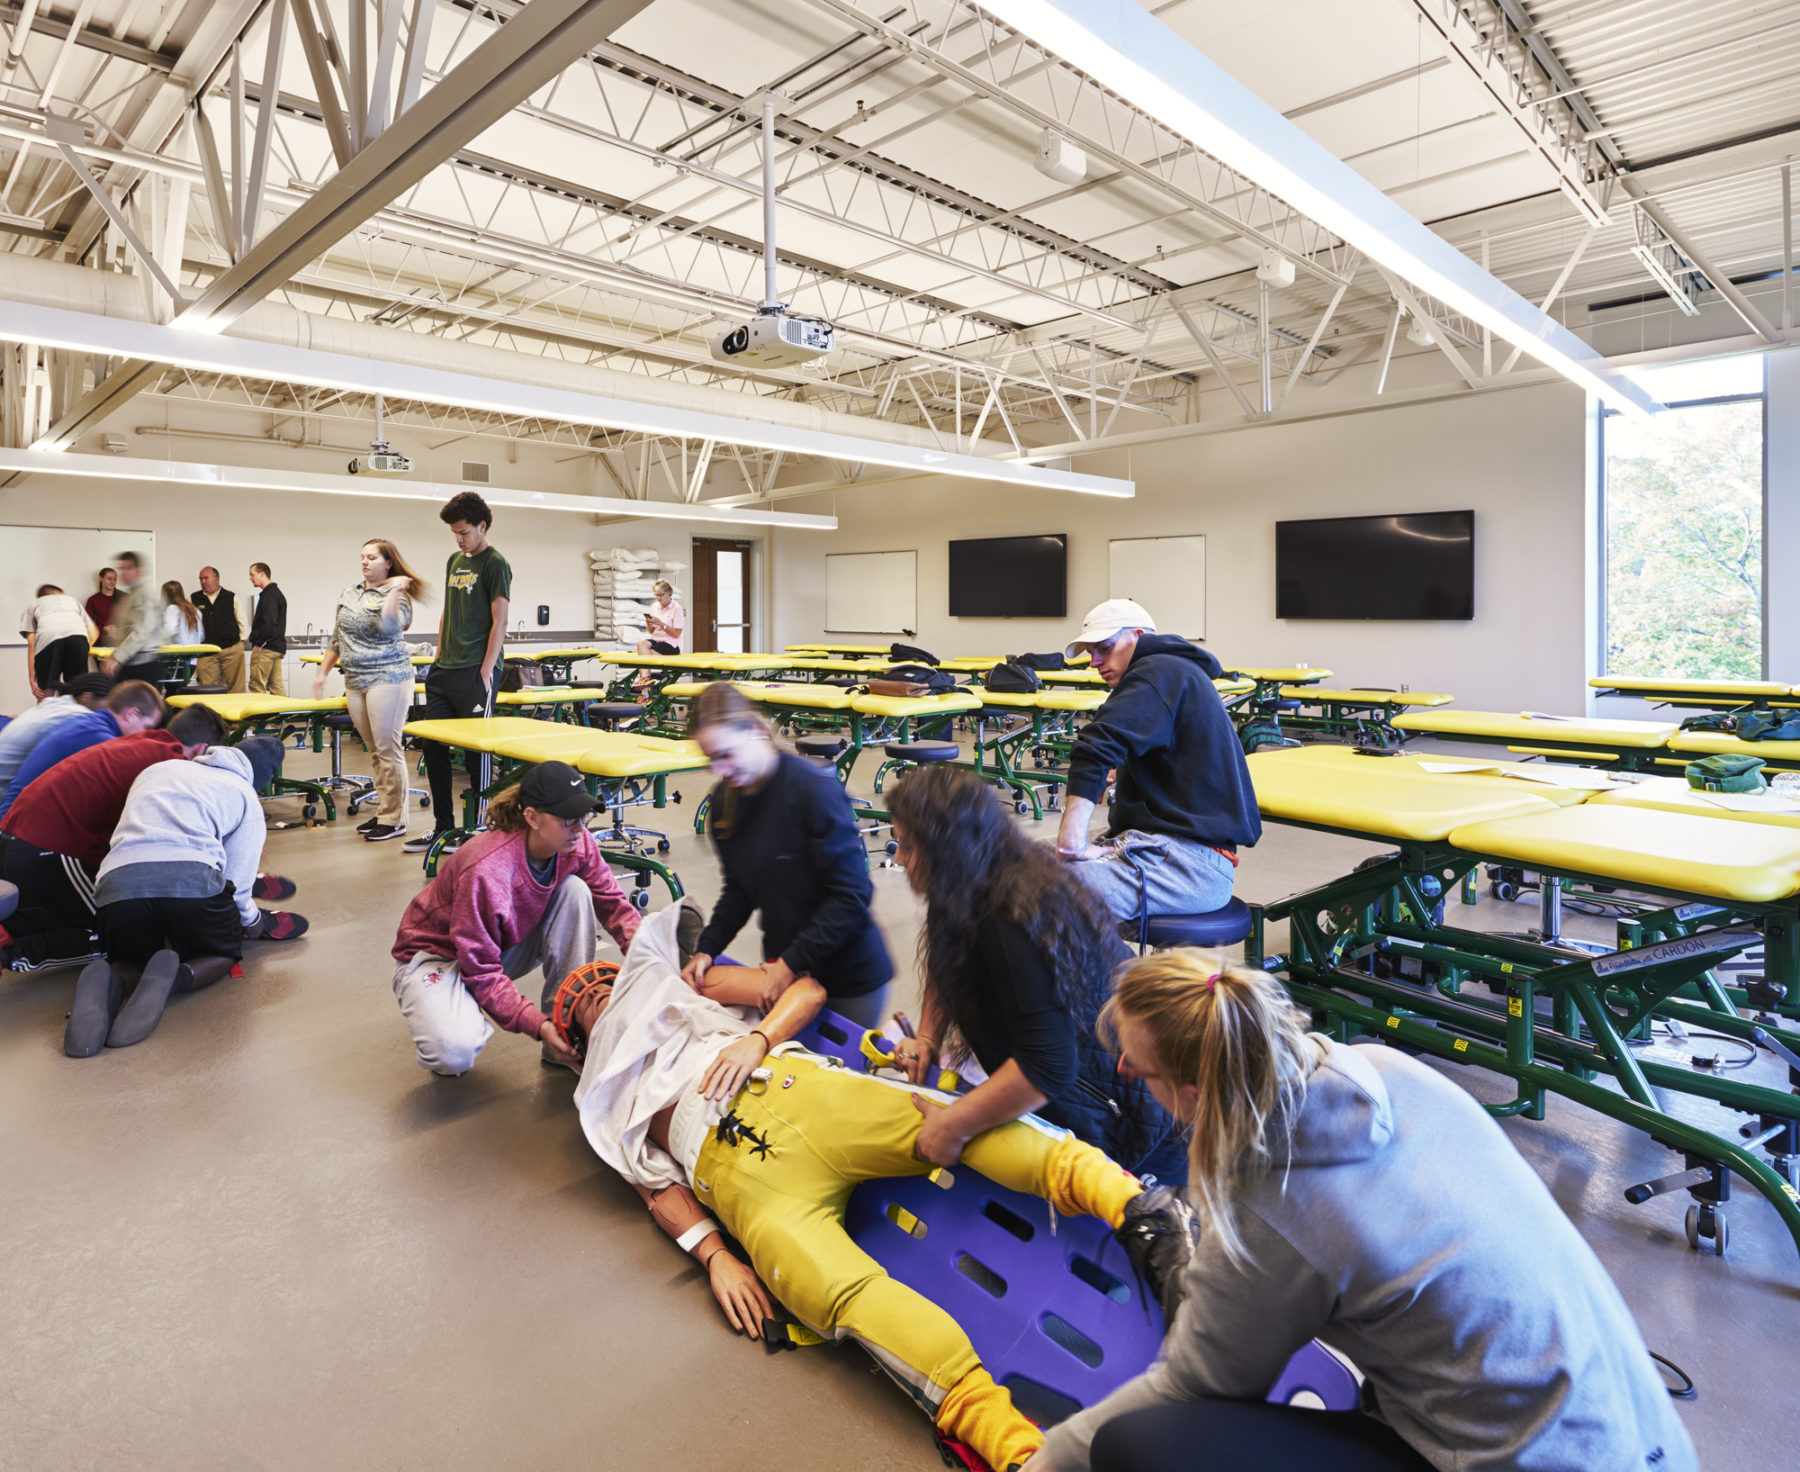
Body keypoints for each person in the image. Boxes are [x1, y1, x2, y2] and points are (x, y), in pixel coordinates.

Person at [569, 903, 1188, 1472]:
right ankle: (1015, 1450)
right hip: (738, 1183)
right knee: (838, 1296)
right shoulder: (600, 1100)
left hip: (791, 1090)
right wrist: (716, 1257)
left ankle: (1139, 1211)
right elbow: (653, 1187)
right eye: (582, 1004)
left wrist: (757, 1037)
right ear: (576, 1039)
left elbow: (805, 990)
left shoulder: (677, 990)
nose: (597, 995)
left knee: (945, 1125)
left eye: (601, 981)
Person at [1031, 950, 1700, 1472]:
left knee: (1136, 1445)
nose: (1120, 1066)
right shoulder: (1382, 1071)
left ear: (1195, 1090)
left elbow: (1196, 1384)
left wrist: (1053, 1455)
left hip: (1527, 1460)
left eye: (1135, 1069)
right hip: (1633, 1431)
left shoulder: (1274, 1206)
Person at [885, 765, 1183, 1182]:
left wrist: (951, 1128)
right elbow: (944, 955)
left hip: (1128, 1129)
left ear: (942, 847)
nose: (898, 859)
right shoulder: (967, 878)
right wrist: (929, 1036)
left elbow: (1046, 1067)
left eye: (906, 847)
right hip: (1093, 1099)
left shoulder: (1008, 921)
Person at [390, 760, 638, 1075]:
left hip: (498, 945)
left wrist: (647, 954)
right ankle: (445, 1006)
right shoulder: (488, 869)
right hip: (439, 957)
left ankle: (565, 1033)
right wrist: (536, 1024)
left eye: (583, 816)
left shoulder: (575, 840)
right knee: (453, 1053)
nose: (579, 828)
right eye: (567, 819)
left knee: (575, 890)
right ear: (532, 817)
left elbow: (614, 904)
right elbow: (480, 971)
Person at [67, 736, 307, 1057]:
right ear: (260, 781)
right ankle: (173, 978)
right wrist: (251, 923)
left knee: (132, 958)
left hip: (117, 883)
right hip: (190, 883)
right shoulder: (245, 796)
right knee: (222, 955)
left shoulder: (158, 770)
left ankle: (110, 978)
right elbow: (236, 885)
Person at [680, 684, 893, 1027]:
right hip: (785, 972)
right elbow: (740, 888)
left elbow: (852, 895)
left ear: (753, 732)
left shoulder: (812, 791)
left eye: (726, 754)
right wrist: (707, 949)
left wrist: (791, 961)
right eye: (711, 759)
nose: (719, 769)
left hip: (847, 977)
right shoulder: (725, 801)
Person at [1053, 599, 1260, 924]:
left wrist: (1072, 843)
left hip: (1190, 866)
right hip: (1169, 851)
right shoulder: (1175, 671)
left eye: (1104, 648)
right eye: (1091, 651)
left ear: (1137, 636)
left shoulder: (1158, 670)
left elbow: (1095, 746)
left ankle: (1107, 975)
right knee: (1014, 863)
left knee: (1030, 889)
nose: (1094, 661)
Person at [0, 706, 228, 973]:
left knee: (95, 910)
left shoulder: (146, 742)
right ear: (201, 750)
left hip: (24, 838)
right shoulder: (168, 765)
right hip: (46, 846)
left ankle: (16, 930)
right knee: (124, 938)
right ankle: (10, 953)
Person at [404, 492, 511, 855]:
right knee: (433, 748)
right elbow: (449, 611)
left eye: (464, 532)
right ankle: (443, 828)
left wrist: (485, 671)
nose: (459, 538)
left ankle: (479, 830)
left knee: (476, 754)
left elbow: (501, 621)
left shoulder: (496, 564)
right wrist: (438, 654)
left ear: (482, 527)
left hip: (475, 673)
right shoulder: (455, 560)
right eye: (454, 533)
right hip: (444, 669)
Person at [317, 540, 425, 843]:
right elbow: (337, 636)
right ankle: (385, 812)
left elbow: (390, 626)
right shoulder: (350, 593)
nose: (365, 562)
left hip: (389, 678)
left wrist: (395, 589)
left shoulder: (398, 596)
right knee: (375, 751)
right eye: (362, 557)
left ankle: (395, 819)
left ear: (388, 562)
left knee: (388, 749)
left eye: (372, 557)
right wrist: (322, 673)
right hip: (356, 680)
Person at [0, 680, 165, 820]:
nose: (144, 735)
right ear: (132, 714)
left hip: (14, 814)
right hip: (17, 826)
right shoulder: (101, 741)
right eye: (146, 727)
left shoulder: (86, 722)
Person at [0, 672, 114, 792]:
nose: (109, 710)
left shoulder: (56, 704)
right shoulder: (76, 715)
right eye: (108, 704)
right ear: (87, 697)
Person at [20, 584, 97, 700]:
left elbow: (32, 645)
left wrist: (32, 679)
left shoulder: (35, 604)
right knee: (78, 691)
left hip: (49, 638)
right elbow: (94, 633)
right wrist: (84, 649)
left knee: (46, 693)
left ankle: (45, 711)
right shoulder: (71, 600)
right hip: (78, 637)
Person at [102, 551, 163, 687]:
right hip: (131, 663)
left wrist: (116, 657)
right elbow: (132, 628)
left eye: (127, 568)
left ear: (138, 570)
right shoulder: (131, 595)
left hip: (143, 666)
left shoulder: (144, 594)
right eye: (121, 569)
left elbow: (142, 631)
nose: (122, 573)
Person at [191, 566, 247, 692]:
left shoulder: (231, 597)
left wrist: (242, 641)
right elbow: (187, 622)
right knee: (208, 690)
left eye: (206, 578)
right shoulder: (193, 599)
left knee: (237, 689)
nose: (203, 582)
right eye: (201, 579)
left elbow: (242, 620)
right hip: (206, 653)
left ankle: (236, 712)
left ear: (217, 579)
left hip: (231, 649)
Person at [245, 563, 288, 694]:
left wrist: (261, 643)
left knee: (257, 686)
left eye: (252, 575)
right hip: (276, 648)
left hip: (266, 649)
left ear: (262, 574)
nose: (250, 578)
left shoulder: (269, 595)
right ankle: (285, 714)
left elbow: (269, 623)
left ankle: (260, 715)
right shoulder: (276, 594)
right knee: (276, 685)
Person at [636, 580, 685, 655]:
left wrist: (661, 624)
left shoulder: (676, 608)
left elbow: (676, 634)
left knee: (650, 653)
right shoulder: (654, 606)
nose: (658, 598)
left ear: (669, 593)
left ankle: (642, 666)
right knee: (641, 644)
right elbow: (651, 631)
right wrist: (649, 624)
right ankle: (643, 666)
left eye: (661, 595)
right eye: (656, 595)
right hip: (656, 640)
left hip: (671, 643)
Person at [161, 580, 204, 645]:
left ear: (167, 595)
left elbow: (169, 631)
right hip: (194, 651)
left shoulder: (172, 609)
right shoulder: (195, 610)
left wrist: (155, 636)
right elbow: (201, 636)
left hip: (178, 652)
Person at [85, 567, 118, 639]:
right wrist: (104, 628)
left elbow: (133, 621)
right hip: (101, 642)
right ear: (101, 578)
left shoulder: (125, 597)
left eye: (115, 579)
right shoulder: (92, 600)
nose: (112, 582)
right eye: (109, 579)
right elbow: (87, 624)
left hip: (123, 641)